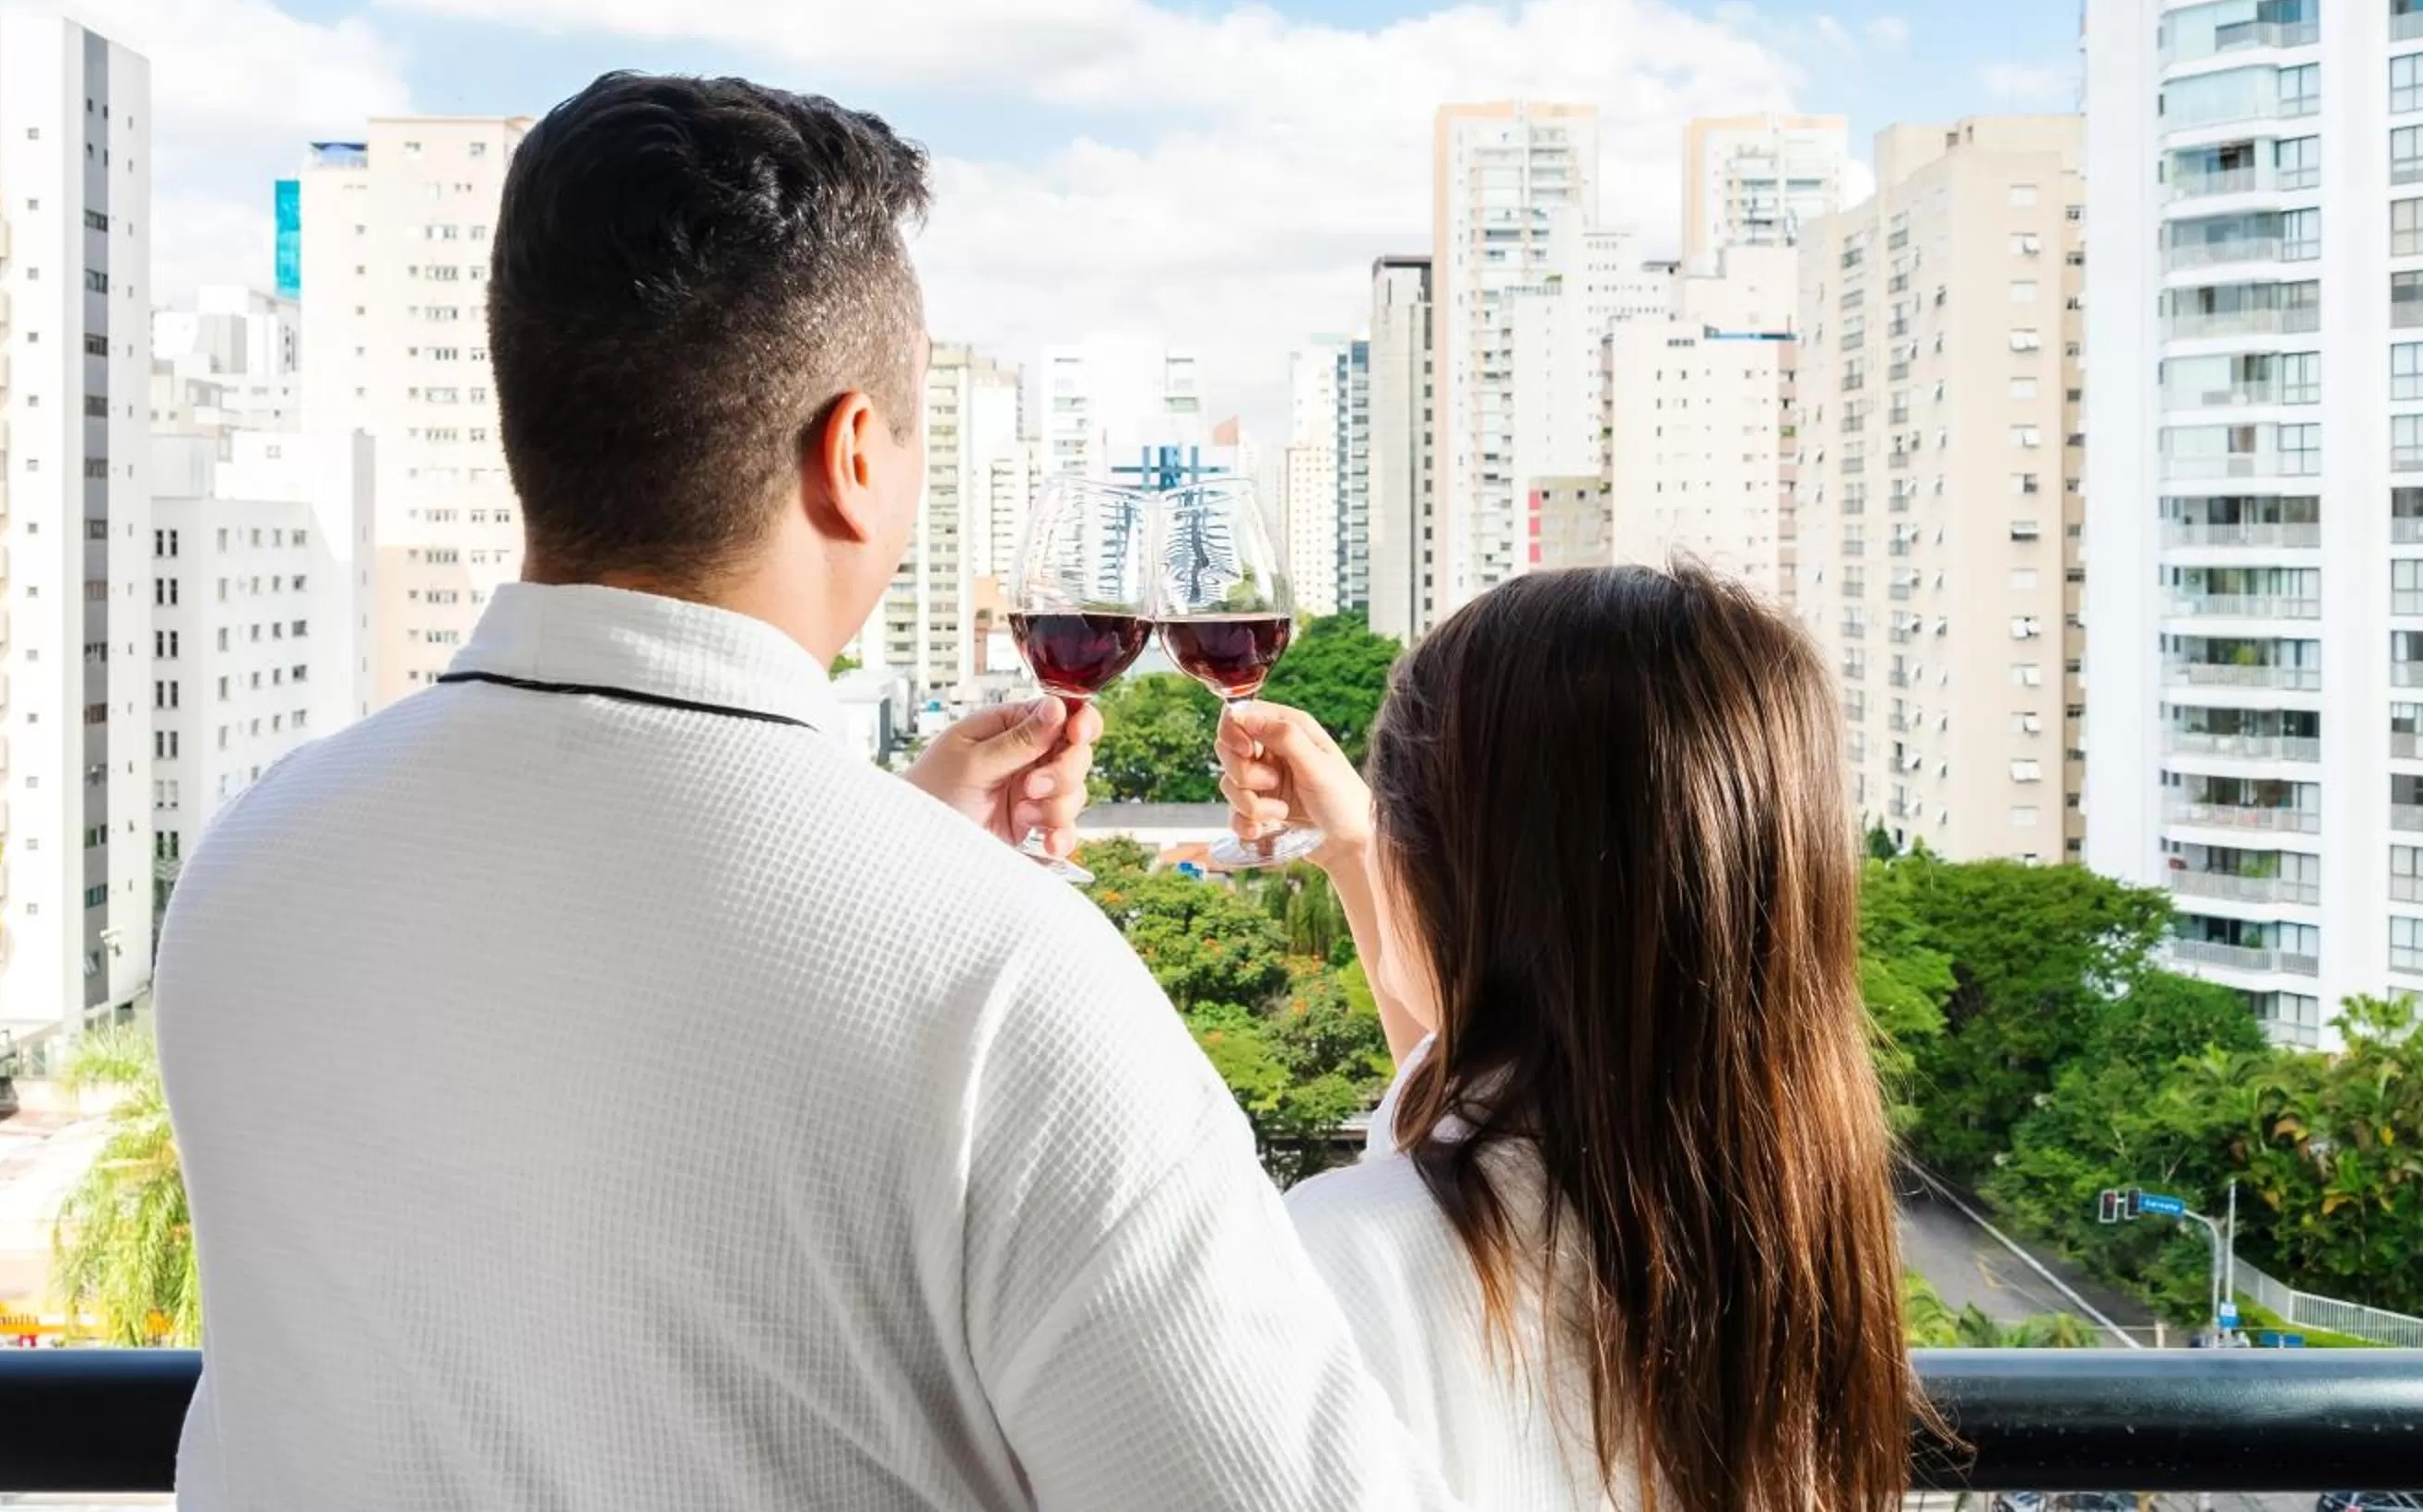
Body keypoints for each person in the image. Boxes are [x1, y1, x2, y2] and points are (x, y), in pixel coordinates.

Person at [155, 75, 1457, 1510]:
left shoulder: (250, 865)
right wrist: (908, 884)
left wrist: (892, 847)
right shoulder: (1007, 989)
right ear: (851, 458)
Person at [1217, 563, 1924, 1512]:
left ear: (1464, 871)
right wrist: (1358, 852)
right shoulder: (1782, 1220)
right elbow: (1477, 1092)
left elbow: (1444, 1174)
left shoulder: (1346, 1254)